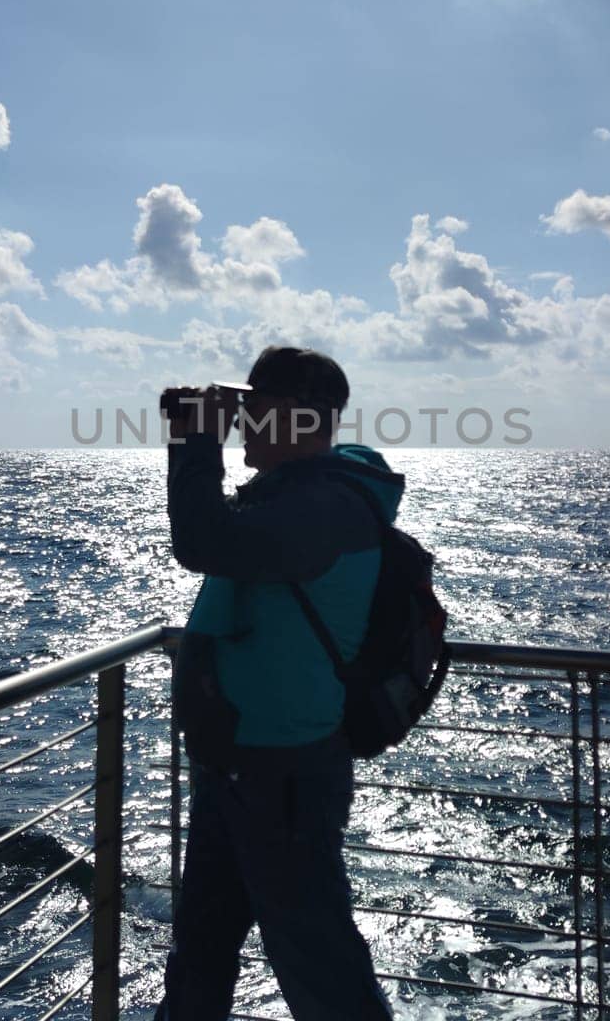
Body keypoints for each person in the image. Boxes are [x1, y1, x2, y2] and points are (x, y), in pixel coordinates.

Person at [154, 346, 398, 1020]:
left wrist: (195, 437)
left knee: (320, 967)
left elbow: (201, 542)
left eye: (254, 408)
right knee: (200, 950)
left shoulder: (326, 506)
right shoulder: (292, 499)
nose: (242, 422)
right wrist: (197, 432)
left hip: (283, 775)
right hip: (236, 764)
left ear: (300, 419)